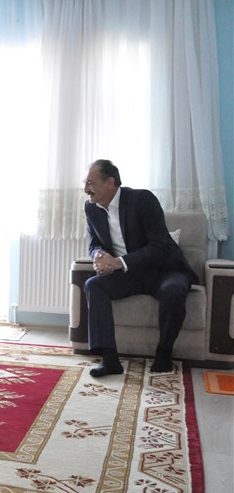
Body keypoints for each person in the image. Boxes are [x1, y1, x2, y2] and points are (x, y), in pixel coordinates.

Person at [82, 159, 198, 377]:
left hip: (165, 269)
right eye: (85, 183)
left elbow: (158, 246)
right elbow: (94, 243)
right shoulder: (91, 208)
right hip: (130, 274)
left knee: (173, 291)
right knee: (93, 285)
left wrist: (118, 262)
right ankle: (109, 360)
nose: (86, 189)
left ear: (110, 182)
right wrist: (99, 255)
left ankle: (164, 353)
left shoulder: (142, 199)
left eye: (90, 183)